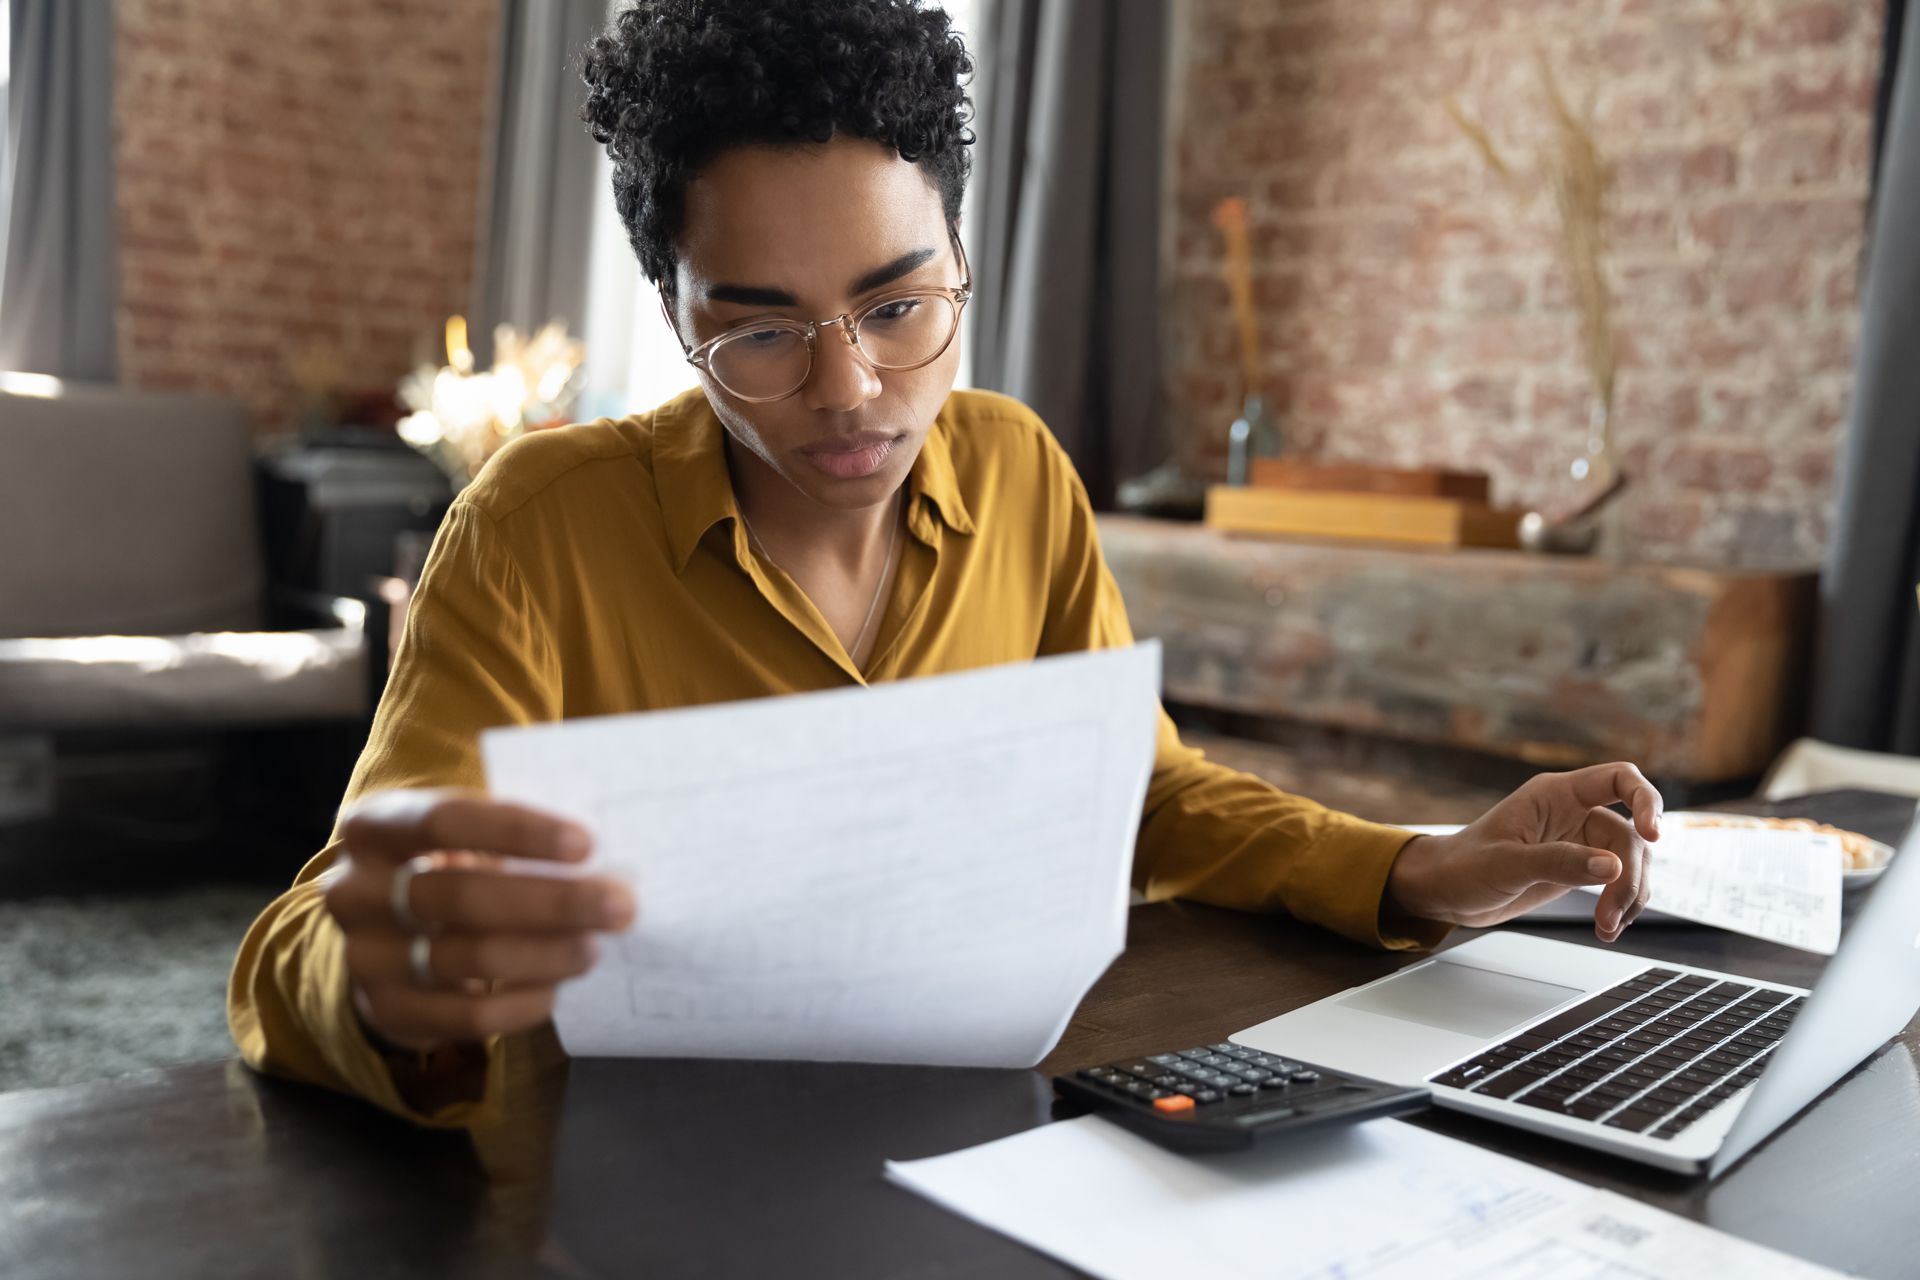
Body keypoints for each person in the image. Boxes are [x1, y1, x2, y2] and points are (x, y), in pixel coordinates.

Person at [229, 0, 1660, 1127]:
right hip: (628, 1166)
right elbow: (319, 926)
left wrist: (1420, 870)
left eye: (900, 303)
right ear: (674, 321)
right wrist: (386, 985)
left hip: (990, 1128)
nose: (853, 391)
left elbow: (1143, 796)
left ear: (963, 258)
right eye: (762, 330)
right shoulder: (540, 525)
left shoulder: (1021, 470)